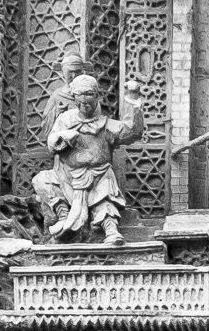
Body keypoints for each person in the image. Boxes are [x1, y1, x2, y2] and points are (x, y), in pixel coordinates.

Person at [31, 73, 141, 244]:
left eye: (89, 101)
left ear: (97, 97)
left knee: (104, 197)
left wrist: (132, 100)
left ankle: (110, 229)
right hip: (67, 175)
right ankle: (63, 215)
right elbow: (51, 144)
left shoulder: (104, 124)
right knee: (42, 180)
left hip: (99, 174)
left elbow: (132, 131)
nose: (84, 106)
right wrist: (63, 138)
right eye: (80, 101)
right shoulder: (65, 119)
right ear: (74, 99)